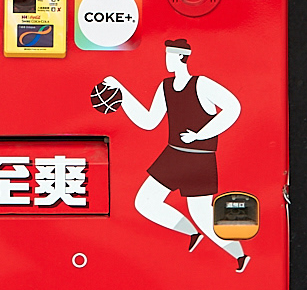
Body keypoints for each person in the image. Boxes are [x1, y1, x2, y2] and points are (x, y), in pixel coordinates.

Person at [100, 37, 245, 266]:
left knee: (202, 215)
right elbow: (148, 121)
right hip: (174, 154)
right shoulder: (166, 86)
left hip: (199, 159)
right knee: (145, 202)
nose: (166, 60)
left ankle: (239, 255)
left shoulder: (202, 84)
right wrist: (122, 92)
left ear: (181, 57)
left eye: (169, 55)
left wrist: (201, 134)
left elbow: (233, 107)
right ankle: (190, 232)